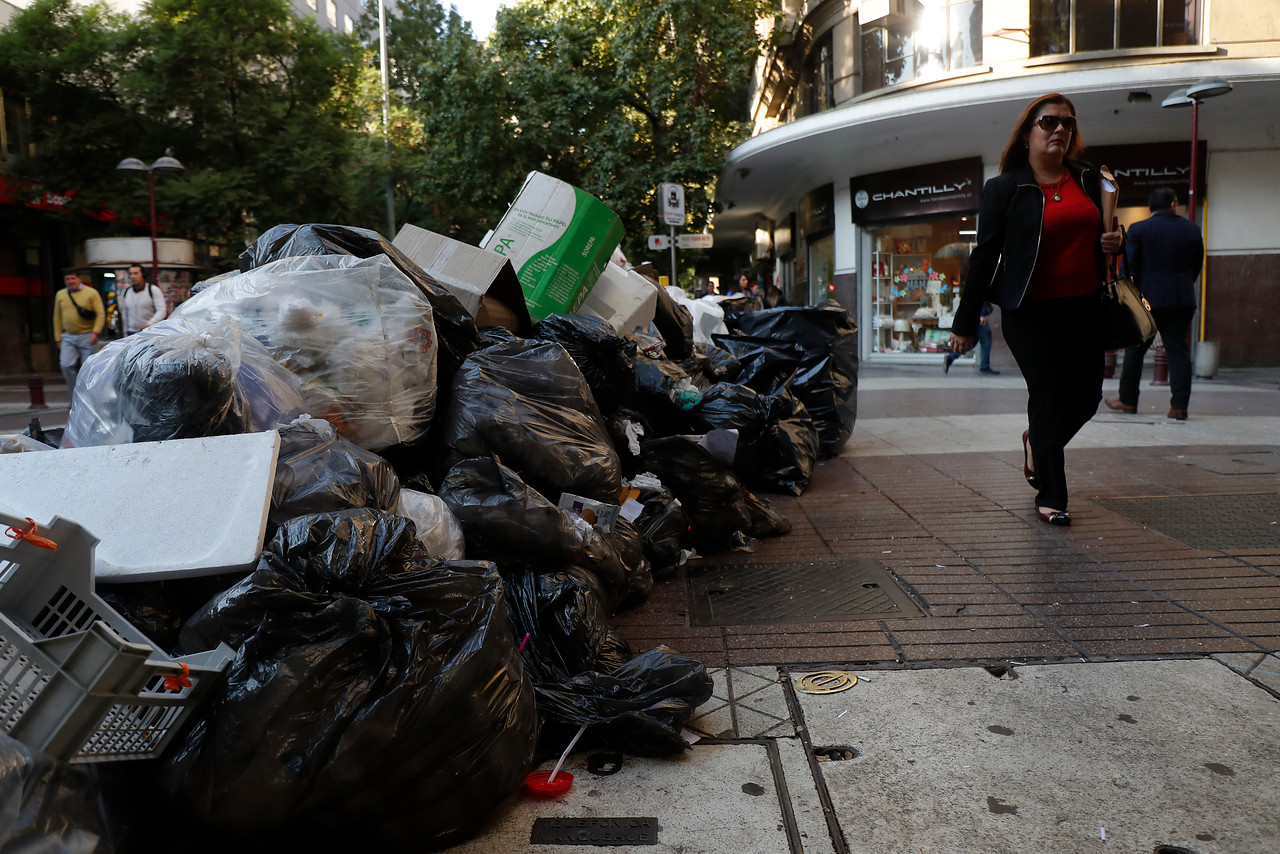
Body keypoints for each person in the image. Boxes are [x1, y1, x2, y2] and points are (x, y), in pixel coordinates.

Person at [949, 93, 1123, 526]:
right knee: (1049, 394)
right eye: (1048, 122)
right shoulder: (1005, 189)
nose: (1060, 130)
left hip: (1084, 307)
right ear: (1027, 132)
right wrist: (965, 321)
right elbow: (984, 256)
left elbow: (1108, 235)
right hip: (1029, 310)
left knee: (1086, 396)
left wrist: (1115, 241)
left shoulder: (1090, 179)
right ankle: (1052, 493)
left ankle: (1036, 443)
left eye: (1067, 123)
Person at [1104, 187, 1204, 421]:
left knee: (1135, 349)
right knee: (1178, 351)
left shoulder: (1139, 229)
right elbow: (1196, 265)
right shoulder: (1191, 229)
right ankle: (1179, 407)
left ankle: (1128, 401)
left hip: (1148, 301)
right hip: (1181, 300)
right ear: (1173, 204)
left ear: (1150, 209)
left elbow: (1128, 268)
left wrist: (1129, 297)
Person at [53, 270, 105, 393]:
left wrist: (95, 332)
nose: (70, 281)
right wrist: (58, 337)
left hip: (87, 336)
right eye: (67, 279)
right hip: (68, 336)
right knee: (65, 364)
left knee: (89, 368)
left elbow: (100, 313)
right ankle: (74, 394)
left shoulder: (91, 293)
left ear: (79, 279)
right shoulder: (60, 294)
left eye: (72, 278)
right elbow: (57, 317)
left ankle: (89, 395)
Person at [944, 302, 1000, 374]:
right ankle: (984, 367)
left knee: (971, 343)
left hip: (973, 317)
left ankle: (951, 357)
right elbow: (980, 297)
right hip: (979, 317)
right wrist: (982, 315)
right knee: (986, 342)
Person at [118, 263, 168, 335]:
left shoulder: (153, 290)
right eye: (131, 274)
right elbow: (125, 314)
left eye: (136, 273)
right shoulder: (126, 292)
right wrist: (125, 333)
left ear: (143, 275)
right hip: (131, 332)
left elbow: (162, 310)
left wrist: (149, 324)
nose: (133, 276)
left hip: (149, 332)